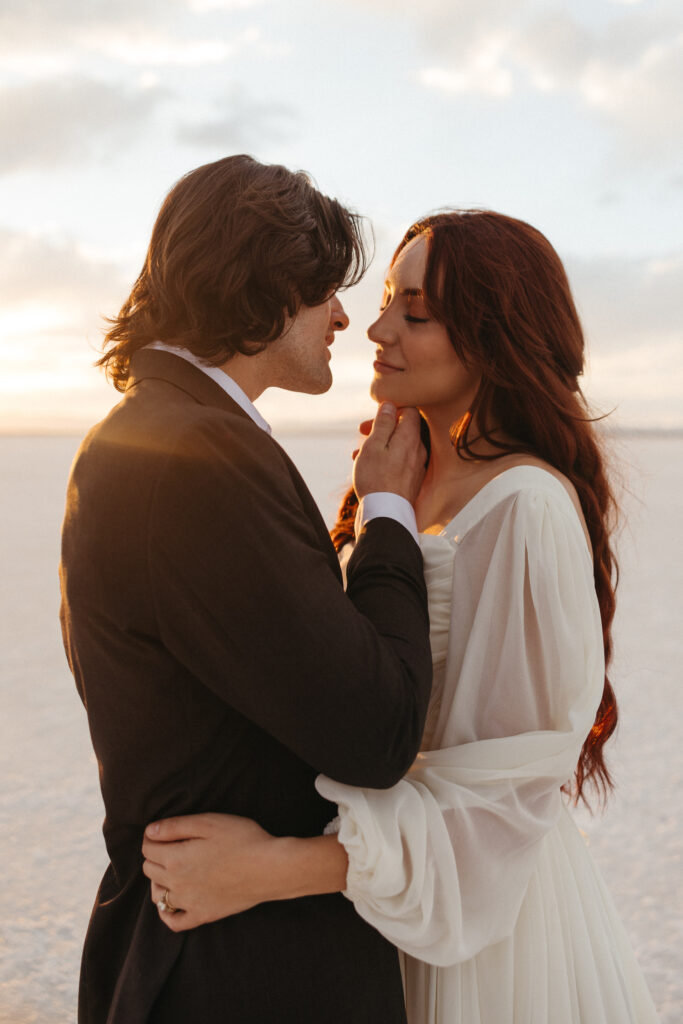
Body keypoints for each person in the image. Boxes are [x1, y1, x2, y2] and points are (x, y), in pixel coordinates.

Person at [142, 210, 660, 1023]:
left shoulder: (526, 504)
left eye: (414, 314)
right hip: (386, 902)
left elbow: (509, 790)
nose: (376, 329)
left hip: (483, 925)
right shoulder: (396, 479)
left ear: (495, 339)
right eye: (386, 301)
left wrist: (275, 868)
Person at [59, 155, 436, 1024]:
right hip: (240, 972)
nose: (346, 315)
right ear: (265, 286)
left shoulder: (149, 433)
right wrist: (387, 514)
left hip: (203, 953)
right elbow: (375, 732)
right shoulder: (192, 458)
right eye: (325, 291)